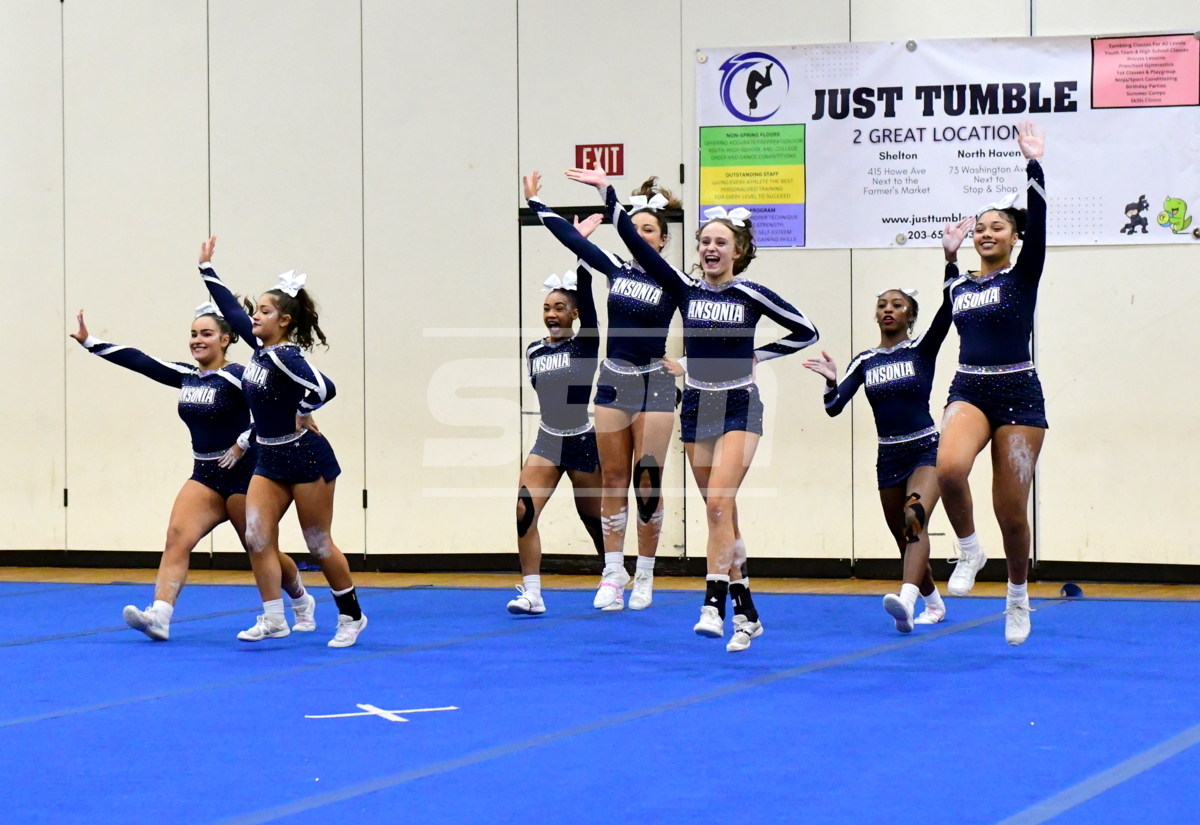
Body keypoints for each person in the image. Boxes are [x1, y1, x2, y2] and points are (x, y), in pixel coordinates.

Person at [567, 165, 819, 651]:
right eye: (705, 241)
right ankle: (747, 613)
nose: (710, 248)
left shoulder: (751, 294)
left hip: (740, 405)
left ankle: (712, 603)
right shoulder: (685, 288)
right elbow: (637, 245)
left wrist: (758, 356)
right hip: (698, 406)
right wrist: (609, 194)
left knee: (720, 505)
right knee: (721, 515)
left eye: (721, 242)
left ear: (738, 250)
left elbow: (805, 331)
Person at [69, 305, 313, 641]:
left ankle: (300, 598)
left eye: (206, 334)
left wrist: (245, 441)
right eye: (194, 334)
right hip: (205, 475)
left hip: (244, 475)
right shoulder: (187, 376)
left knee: (259, 548)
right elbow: (141, 361)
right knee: (177, 538)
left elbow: (272, 409)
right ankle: (160, 615)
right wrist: (90, 342)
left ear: (225, 340)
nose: (197, 340)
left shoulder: (239, 375)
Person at [525, 171, 682, 611]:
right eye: (636, 228)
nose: (639, 235)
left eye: (648, 230)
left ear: (663, 240)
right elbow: (572, 240)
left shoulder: (673, 281)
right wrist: (537, 204)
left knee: (647, 480)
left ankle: (645, 573)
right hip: (615, 380)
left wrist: (606, 193)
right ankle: (614, 573)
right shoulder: (616, 269)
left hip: (654, 382)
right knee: (613, 479)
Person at [198, 235, 366, 647]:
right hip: (269, 458)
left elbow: (325, 388)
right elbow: (231, 310)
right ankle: (274, 617)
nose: (255, 317)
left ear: (285, 321)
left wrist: (305, 409)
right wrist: (206, 269)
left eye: (265, 311)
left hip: (306, 458)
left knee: (318, 543)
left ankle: (351, 616)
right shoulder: (259, 348)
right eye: (257, 310)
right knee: (256, 536)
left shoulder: (284, 356)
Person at [804, 219, 967, 631]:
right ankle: (933, 604)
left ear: (910, 314)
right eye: (882, 305)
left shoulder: (921, 348)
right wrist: (830, 380)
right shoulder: (865, 361)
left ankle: (906, 601)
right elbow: (834, 407)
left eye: (897, 304)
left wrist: (950, 259)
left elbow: (949, 309)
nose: (888, 309)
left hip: (925, 448)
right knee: (903, 536)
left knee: (915, 518)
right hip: (889, 456)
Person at [936, 121, 1048, 646]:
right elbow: (948, 299)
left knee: (1011, 511)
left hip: (1019, 393)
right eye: (980, 227)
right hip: (971, 389)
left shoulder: (1023, 276)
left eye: (997, 227)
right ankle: (969, 550)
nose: (986, 233)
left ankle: (1017, 595)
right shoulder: (960, 286)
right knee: (949, 468)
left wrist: (1034, 164)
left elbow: (1039, 225)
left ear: (1013, 238)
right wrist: (948, 256)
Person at [507, 232, 606, 614]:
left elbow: (590, 300)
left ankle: (612, 574)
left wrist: (580, 249)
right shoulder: (533, 350)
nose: (551, 314)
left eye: (560, 307)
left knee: (593, 518)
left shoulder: (585, 343)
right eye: (547, 307)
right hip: (547, 440)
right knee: (524, 511)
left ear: (574, 314)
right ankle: (532, 593)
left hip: (581, 440)